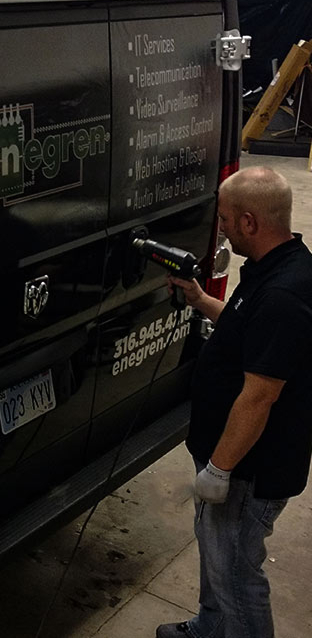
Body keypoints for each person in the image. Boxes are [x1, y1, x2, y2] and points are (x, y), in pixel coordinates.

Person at [157, 166, 312, 638]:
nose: (220, 228)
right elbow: (248, 329)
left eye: (225, 219)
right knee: (217, 554)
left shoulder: (284, 294)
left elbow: (259, 397)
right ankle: (211, 627)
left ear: (249, 222)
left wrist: (219, 470)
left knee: (237, 576)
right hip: (232, 458)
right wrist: (201, 300)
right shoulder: (275, 265)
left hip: (248, 470)